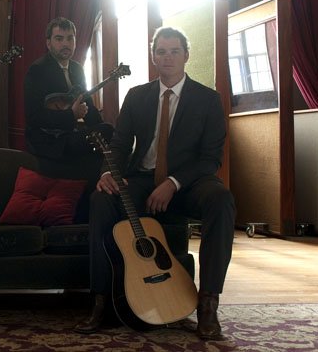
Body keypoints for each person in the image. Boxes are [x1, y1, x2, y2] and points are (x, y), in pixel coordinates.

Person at [74, 26, 235, 340]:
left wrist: (174, 182)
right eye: (161, 51)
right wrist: (108, 173)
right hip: (143, 179)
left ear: (186, 55)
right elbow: (120, 146)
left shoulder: (208, 100)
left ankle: (208, 303)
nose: (168, 57)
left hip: (189, 183)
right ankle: (102, 300)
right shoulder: (138, 96)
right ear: (153, 57)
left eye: (175, 51)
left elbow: (211, 158)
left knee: (222, 199)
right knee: (101, 198)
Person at [24, 17, 112, 182]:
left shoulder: (77, 68)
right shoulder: (37, 70)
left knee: (108, 132)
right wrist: (71, 115)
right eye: (59, 39)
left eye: (70, 38)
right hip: (47, 141)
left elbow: (88, 107)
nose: (66, 43)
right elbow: (33, 116)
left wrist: (100, 129)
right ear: (48, 43)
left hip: (69, 135)